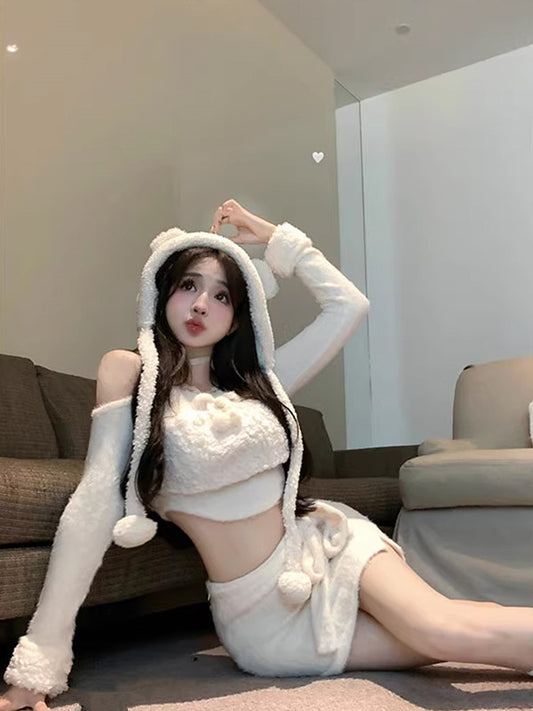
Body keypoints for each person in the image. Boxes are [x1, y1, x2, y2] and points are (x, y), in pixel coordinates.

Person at [1, 200, 533, 711]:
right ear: (161, 293)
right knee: (454, 633)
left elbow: (349, 306)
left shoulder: (260, 386)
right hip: (263, 617)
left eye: (222, 296)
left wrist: (276, 240)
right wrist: (39, 661)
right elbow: (93, 506)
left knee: (440, 626)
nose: (201, 305)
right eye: (188, 286)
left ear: (238, 317)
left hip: (323, 543)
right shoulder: (131, 375)